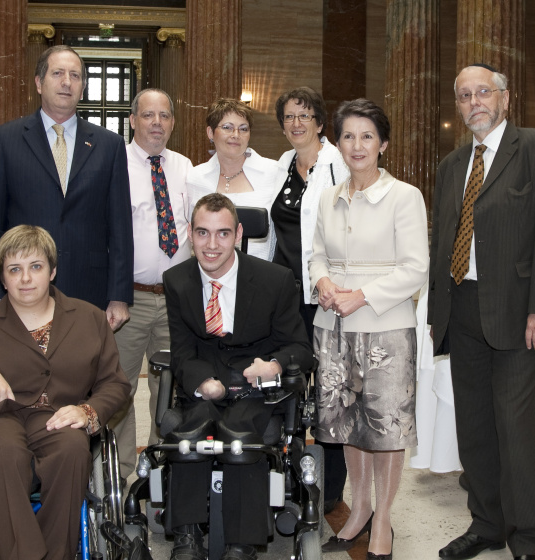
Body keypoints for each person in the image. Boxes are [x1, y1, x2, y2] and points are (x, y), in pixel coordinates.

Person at [428, 64, 535, 560]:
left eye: (483, 92)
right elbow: (441, 242)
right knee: (474, 429)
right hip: (463, 310)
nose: (475, 102)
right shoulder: (452, 165)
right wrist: (438, 316)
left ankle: (528, 540)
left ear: (505, 98)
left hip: (518, 315)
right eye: (465, 95)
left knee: (515, 432)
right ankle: (486, 525)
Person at [0, 225, 131, 560]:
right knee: (8, 454)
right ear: (3, 278)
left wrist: (87, 411)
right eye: (15, 269)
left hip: (53, 417)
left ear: (52, 271)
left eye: (35, 267)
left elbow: (115, 384)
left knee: (71, 449)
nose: (26, 279)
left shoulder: (89, 319)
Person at [163, 193, 314, 560]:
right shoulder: (177, 280)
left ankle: (241, 545)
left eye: (223, 234)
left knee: (242, 437)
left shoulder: (274, 280)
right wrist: (201, 382)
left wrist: (274, 366)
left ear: (239, 233)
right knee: (189, 433)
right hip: (206, 382)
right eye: (202, 233)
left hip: (255, 386)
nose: (212, 245)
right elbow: (182, 351)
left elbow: (301, 349)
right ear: (190, 234)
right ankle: (186, 537)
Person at [309, 99, 428, 560]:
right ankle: (357, 511)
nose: (356, 145)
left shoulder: (404, 195)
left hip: (385, 326)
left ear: (383, 144)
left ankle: (383, 519)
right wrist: (322, 281)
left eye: (366, 136)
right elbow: (316, 253)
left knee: (385, 428)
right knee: (346, 425)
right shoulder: (328, 196)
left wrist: (361, 296)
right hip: (333, 325)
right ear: (336, 143)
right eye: (347, 136)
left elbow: (416, 267)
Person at [0, 44, 133, 330]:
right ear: (39, 83)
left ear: (83, 87)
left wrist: (119, 296)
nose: (66, 82)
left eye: (75, 76)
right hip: (23, 289)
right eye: (58, 73)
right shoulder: (4, 140)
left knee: (83, 373)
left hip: (89, 291)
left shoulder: (109, 145)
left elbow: (120, 226)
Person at [271, 86, 350, 513]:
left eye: (305, 115)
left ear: (320, 122)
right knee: (288, 387)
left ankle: (332, 487)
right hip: (285, 297)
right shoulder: (282, 165)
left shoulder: (339, 163)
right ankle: (285, 477)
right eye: (288, 117)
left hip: (326, 295)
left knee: (330, 392)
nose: (296, 123)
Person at [110, 88, 193, 475]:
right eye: (148, 115)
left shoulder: (184, 167)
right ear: (132, 120)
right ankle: (123, 473)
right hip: (128, 300)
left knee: (170, 392)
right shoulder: (113, 164)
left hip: (176, 299)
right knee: (117, 391)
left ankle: (162, 474)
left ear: (173, 122)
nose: (156, 123)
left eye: (164, 115)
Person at [186, 98, 282, 261]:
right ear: (210, 133)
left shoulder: (274, 173)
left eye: (243, 129)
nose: (236, 135)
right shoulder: (195, 178)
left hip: (260, 273)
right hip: (210, 274)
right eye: (227, 128)